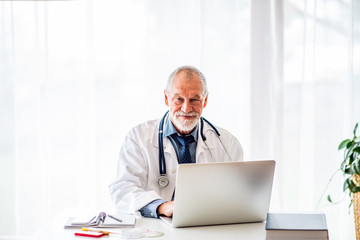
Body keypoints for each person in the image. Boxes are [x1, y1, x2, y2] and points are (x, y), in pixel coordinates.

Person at [109, 65, 243, 218]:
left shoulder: (227, 143)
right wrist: (160, 206)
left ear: (205, 100)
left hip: (206, 225)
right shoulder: (138, 137)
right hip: (156, 227)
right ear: (166, 98)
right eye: (179, 99)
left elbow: (236, 195)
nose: (186, 109)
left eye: (194, 99)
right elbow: (123, 190)